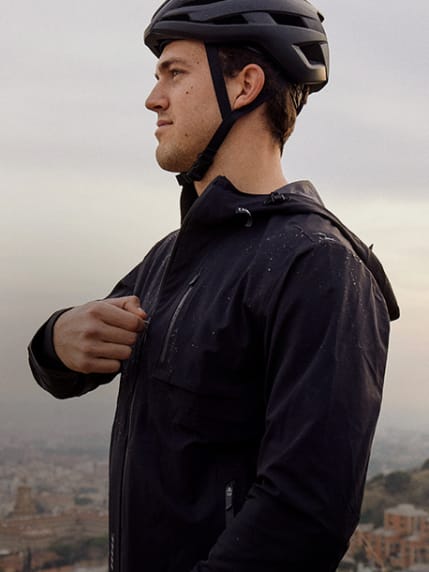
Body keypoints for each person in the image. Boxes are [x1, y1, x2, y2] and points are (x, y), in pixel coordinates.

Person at [28, 1, 400, 571]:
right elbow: (62, 371)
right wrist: (56, 338)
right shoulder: (169, 257)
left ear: (246, 84)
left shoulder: (320, 265)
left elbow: (302, 519)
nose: (153, 99)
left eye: (174, 73)